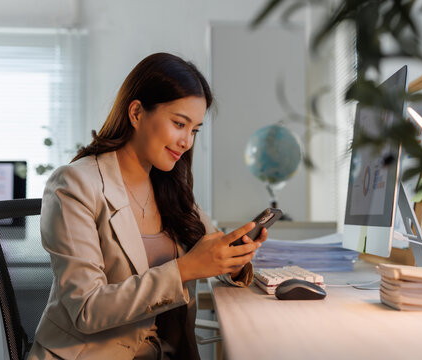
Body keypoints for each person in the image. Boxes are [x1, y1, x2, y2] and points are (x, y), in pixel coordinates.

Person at [27, 52, 267, 360]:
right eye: (179, 124)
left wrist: (233, 259)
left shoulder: (170, 185)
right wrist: (185, 269)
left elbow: (207, 247)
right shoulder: (74, 185)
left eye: (194, 130)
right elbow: (87, 309)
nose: (186, 142)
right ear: (137, 113)